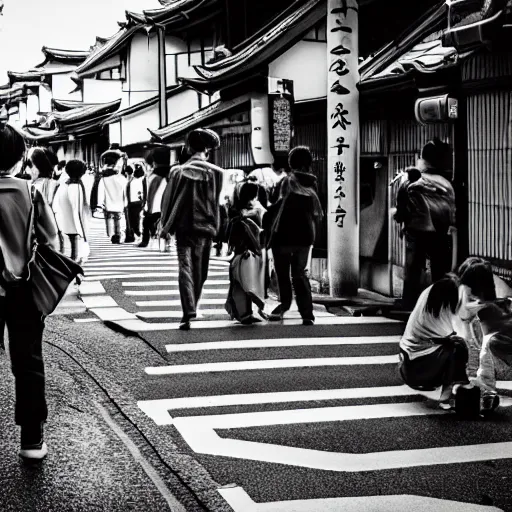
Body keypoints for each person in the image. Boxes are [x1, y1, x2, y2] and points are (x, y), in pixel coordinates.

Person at [0, 122, 59, 460]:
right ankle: (31, 440)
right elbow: (51, 242)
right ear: (20, 157)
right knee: (28, 362)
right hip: (23, 289)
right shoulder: (30, 191)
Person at [160, 128, 224, 330]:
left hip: (184, 227)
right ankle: (193, 305)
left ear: (188, 147)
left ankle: (188, 310)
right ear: (208, 149)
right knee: (200, 271)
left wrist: (165, 226)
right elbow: (218, 203)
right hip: (206, 227)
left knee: (185, 268)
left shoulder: (177, 171)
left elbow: (168, 202)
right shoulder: (217, 173)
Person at [392, 138, 457, 310]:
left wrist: (401, 219)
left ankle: (409, 303)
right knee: (440, 269)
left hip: (416, 229)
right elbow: (450, 209)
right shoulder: (447, 184)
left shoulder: (410, 179)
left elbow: (401, 204)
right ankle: (439, 303)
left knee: (413, 268)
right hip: (441, 232)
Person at [263, 146, 323, 325]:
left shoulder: (286, 181)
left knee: (282, 273)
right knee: (300, 273)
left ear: (291, 162)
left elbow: (273, 202)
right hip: (305, 235)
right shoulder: (312, 183)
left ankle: (284, 305)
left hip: (283, 234)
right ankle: (307, 313)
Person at [398, 275, 475, 408]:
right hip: (419, 369)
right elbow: (463, 336)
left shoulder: (429, 294)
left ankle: (455, 386)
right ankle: (446, 397)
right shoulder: (444, 310)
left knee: (451, 345)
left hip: (407, 363)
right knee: (458, 347)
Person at [225, 181, 267, 324]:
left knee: (240, 283)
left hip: (238, 252)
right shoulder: (254, 211)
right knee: (247, 283)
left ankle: (244, 313)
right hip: (248, 252)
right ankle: (244, 313)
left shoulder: (235, 211)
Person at [52, 160, 90, 263]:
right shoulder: (76, 186)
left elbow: (55, 204)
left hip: (63, 223)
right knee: (76, 255)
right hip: (75, 226)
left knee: (68, 251)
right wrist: (82, 231)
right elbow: (77, 210)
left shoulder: (63, 184)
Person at [138, 147, 170, 248]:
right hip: (168, 208)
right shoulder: (171, 174)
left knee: (146, 222)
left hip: (154, 209)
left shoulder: (153, 177)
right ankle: (167, 241)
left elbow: (150, 195)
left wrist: (147, 208)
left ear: (154, 162)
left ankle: (146, 241)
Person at [96, 147, 127, 244]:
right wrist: (125, 203)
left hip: (108, 204)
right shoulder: (121, 178)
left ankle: (112, 234)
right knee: (118, 219)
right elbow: (125, 191)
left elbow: (100, 192)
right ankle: (117, 234)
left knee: (109, 219)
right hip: (119, 203)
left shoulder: (103, 179)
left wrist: (100, 204)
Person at [124, 164, 145, 243]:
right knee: (137, 220)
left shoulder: (131, 181)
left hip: (132, 203)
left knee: (132, 220)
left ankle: (134, 235)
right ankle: (137, 234)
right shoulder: (141, 181)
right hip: (139, 202)